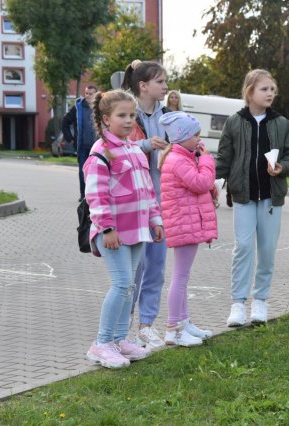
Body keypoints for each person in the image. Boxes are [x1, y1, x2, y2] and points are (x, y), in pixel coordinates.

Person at [84, 89, 164, 369]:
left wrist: (156, 221)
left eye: (132, 115)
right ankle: (102, 343)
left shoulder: (134, 149)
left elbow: (148, 192)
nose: (129, 120)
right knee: (121, 284)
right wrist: (106, 229)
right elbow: (96, 194)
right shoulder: (101, 152)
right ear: (106, 119)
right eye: (122, 116)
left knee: (130, 286)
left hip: (138, 230)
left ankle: (119, 339)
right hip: (114, 233)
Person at [216, 69, 289, 327]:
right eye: (264, 89)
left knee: (267, 251)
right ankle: (238, 304)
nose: (270, 93)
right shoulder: (234, 122)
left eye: (272, 89)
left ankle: (260, 300)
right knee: (243, 248)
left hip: (271, 198)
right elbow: (223, 159)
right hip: (243, 196)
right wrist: (210, 183)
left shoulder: (282, 123)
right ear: (250, 92)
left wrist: (282, 167)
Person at [120, 60, 171, 349]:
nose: (165, 87)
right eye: (160, 82)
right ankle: (121, 327)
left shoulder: (168, 116)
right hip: (135, 203)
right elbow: (116, 148)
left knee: (156, 266)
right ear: (143, 86)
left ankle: (147, 325)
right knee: (133, 269)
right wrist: (146, 146)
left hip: (161, 201)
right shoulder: (128, 112)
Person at [158, 111, 218, 347]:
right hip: (184, 224)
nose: (199, 141)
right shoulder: (179, 159)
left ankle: (184, 322)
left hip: (187, 223)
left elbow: (198, 186)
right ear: (182, 137)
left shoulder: (182, 157)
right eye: (195, 136)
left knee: (183, 276)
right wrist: (207, 160)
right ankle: (173, 329)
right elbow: (200, 182)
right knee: (180, 277)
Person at [62, 85, 98, 200]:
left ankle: (95, 195)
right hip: (82, 146)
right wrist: (70, 138)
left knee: (97, 173)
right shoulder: (78, 107)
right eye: (86, 93)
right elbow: (65, 121)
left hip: (97, 147)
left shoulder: (101, 107)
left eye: (91, 94)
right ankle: (83, 195)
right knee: (83, 172)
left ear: (96, 95)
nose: (88, 96)